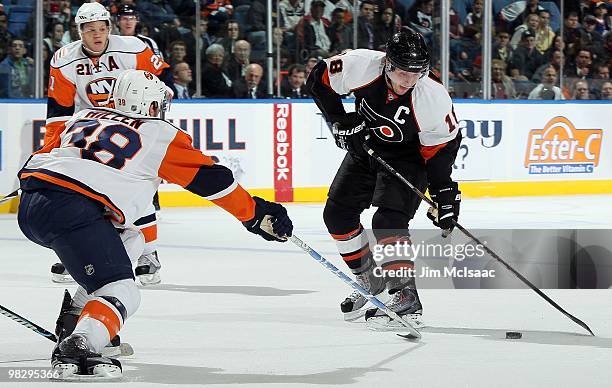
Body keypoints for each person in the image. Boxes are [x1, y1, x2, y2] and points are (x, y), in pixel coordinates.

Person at [18, 69, 293, 380]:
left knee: (130, 239)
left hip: (31, 204)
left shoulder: (81, 116)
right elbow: (213, 181)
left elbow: (39, 160)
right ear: (150, 106)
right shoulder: (159, 134)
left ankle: (76, 319)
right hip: (72, 211)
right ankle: (79, 345)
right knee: (123, 289)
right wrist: (255, 214)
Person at [305, 31, 461, 329]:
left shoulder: (432, 97)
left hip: (410, 156)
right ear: (388, 64)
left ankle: (406, 296)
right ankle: (371, 281)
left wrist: (444, 191)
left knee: (388, 220)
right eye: (403, 71)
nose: (409, 80)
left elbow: (442, 148)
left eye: (417, 72)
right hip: (368, 145)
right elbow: (319, 79)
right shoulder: (361, 64)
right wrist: (339, 121)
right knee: (337, 215)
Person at [44, 2, 175, 293]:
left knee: (137, 187)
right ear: (79, 32)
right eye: (90, 29)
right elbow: (58, 112)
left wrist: (156, 121)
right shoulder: (63, 59)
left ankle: (148, 254)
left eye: (102, 28)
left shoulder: (133, 48)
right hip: (92, 129)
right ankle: (76, 254)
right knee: (81, 193)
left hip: (135, 125)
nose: (97, 34)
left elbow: (165, 83)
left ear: (110, 28)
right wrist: (49, 150)